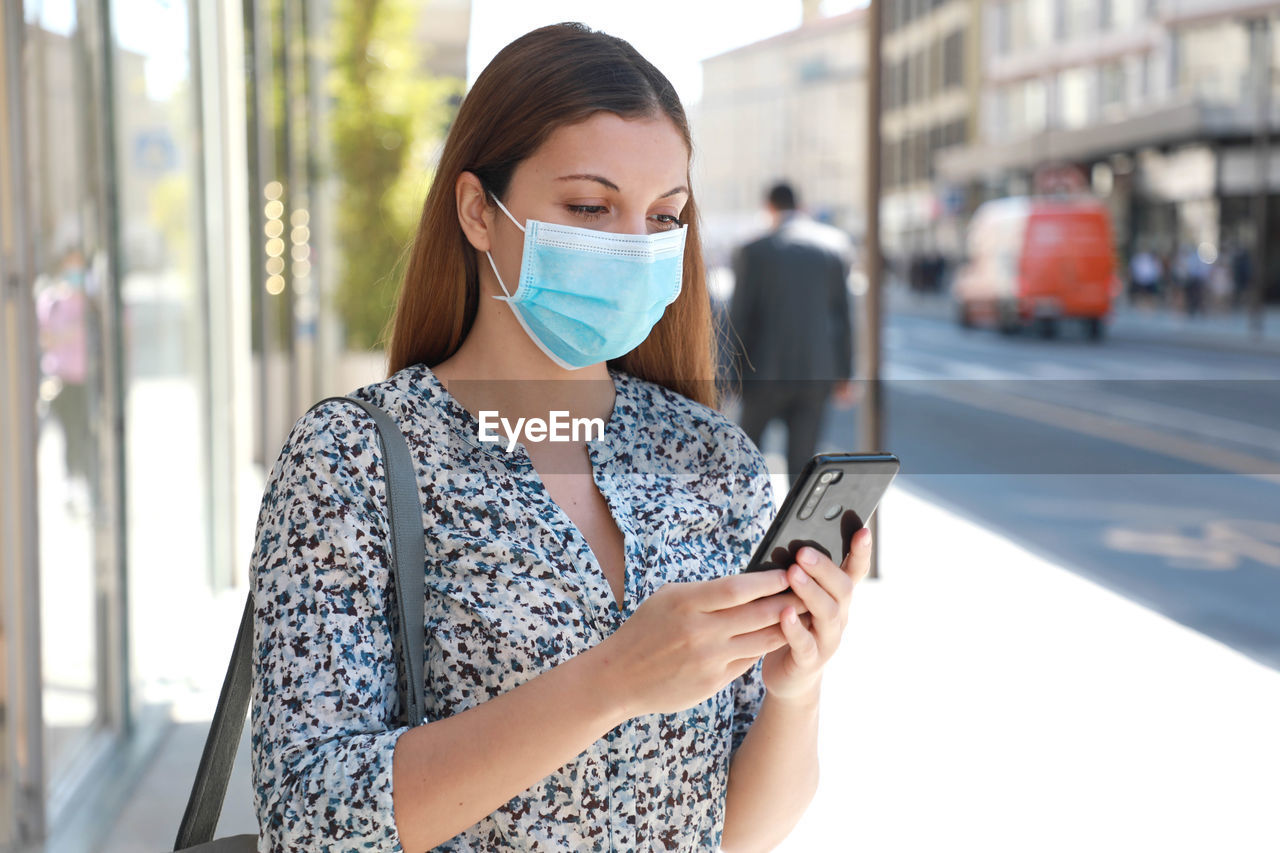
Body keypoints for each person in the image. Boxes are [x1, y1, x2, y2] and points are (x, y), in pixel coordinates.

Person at [249, 23, 874, 853]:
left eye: (664, 217)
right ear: (478, 210)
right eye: (589, 206)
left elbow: (735, 835)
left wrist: (796, 687)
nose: (634, 247)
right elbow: (308, 819)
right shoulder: (351, 459)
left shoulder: (711, 460)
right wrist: (610, 680)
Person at [728, 182, 857, 486]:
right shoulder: (831, 250)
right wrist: (845, 375)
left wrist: (731, 376)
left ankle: (745, 530)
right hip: (815, 374)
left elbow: (740, 319)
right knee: (803, 467)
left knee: (747, 460)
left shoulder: (754, 251)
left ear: (769, 208)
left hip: (762, 373)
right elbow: (843, 318)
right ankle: (796, 533)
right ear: (799, 207)